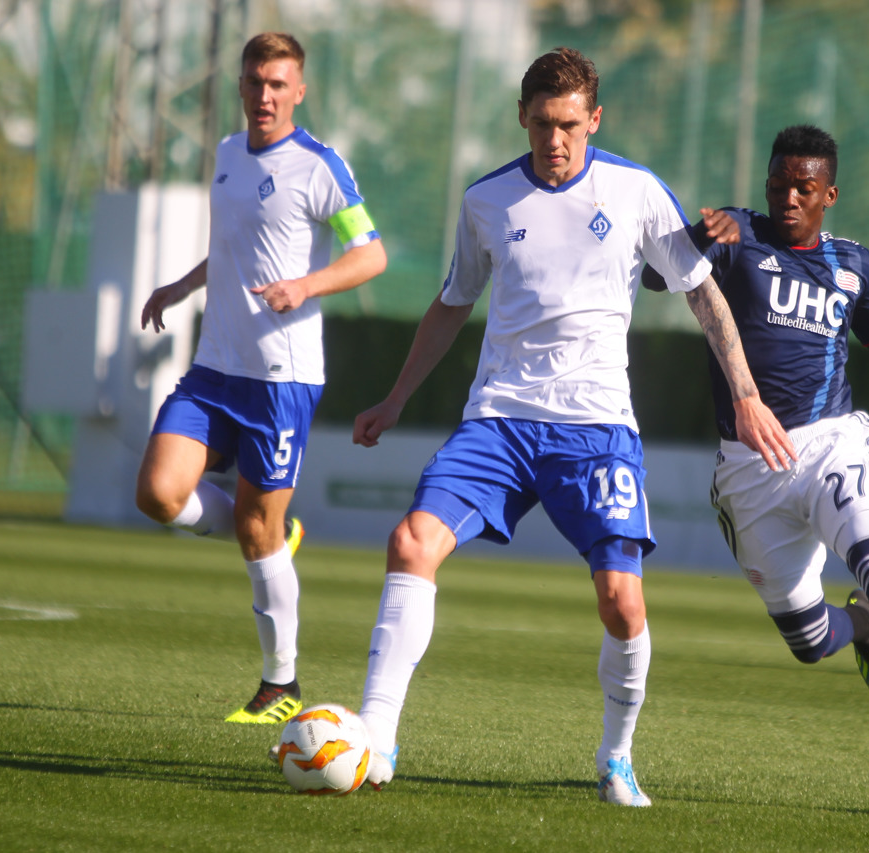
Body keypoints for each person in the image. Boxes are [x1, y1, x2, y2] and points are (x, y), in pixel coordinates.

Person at [348, 47, 790, 807]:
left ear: (595, 120)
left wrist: (746, 394)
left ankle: (616, 757)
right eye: (542, 124)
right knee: (411, 542)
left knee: (622, 600)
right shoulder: (486, 201)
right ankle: (375, 735)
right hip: (499, 420)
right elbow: (453, 303)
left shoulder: (636, 190)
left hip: (596, 428)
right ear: (522, 116)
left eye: (570, 126)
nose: (555, 140)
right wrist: (395, 399)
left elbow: (701, 292)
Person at [642, 124, 869, 798]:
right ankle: (860, 626)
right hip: (750, 467)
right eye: (779, 184)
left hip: (834, 445)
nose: (788, 198)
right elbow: (653, 276)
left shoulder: (852, 264)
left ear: (828, 194)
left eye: (803, 188)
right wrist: (697, 236)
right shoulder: (737, 236)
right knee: (809, 641)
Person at [135, 32, 387, 724]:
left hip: (281, 378)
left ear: (299, 91)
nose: (265, 95)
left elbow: (370, 255)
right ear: (241, 86)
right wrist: (182, 286)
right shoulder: (225, 154)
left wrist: (305, 285)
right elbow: (232, 249)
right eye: (254, 82)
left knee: (254, 529)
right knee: (158, 493)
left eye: (278, 84)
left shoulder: (319, 166)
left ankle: (282, 685)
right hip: (214, 367)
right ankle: (277, 531)